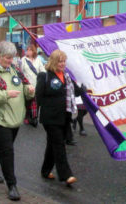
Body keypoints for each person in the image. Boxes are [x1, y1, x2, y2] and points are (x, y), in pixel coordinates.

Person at [0, 41, 35, 201]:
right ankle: (12, 185)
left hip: (15, 118)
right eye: (7, 58)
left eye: (12, 58)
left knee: (3, 148)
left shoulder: (14, 70)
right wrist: (5, 95)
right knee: (8, 151)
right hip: (0, 120)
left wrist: (29, 90)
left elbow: (23, 86)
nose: (10, 61)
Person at [36, 49, 85, 186]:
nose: (62, 64)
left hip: (64, 117)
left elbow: (76, 91)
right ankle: (66, 174)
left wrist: (86, 90)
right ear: (53, 61)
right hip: (50, 118)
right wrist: (35, 114)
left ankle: (45, 170)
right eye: (60, 61)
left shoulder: (67, 77)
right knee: (59, 145)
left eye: (64, 61)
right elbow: (38, 97)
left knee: (52, 145)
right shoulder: (44, 76)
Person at [20, 44, 45, 127]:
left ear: (34, 51)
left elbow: (42, 71)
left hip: (36, 84)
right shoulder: (23, 60)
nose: (28, 51)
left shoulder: (38, 60)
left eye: (30, 50)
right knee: (28, 101)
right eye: (27, 50)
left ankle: (34, 117)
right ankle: (27, 117)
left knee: (36, 102)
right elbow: (20, 71)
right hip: (27, 84)